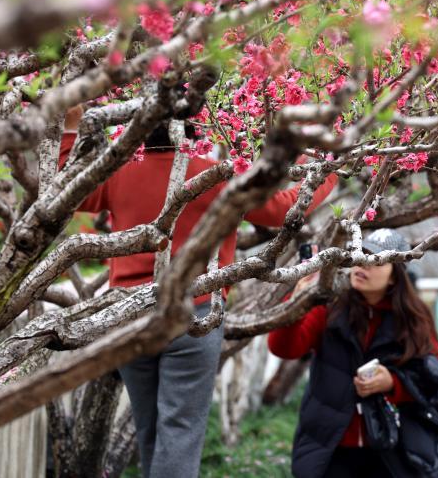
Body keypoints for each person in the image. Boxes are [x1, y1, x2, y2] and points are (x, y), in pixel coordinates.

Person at [59, 106, 337, 478]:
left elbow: (69, 192)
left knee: (151, 429)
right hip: (195, 313)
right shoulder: (217, 176)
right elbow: (283, 211)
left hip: (127, 314)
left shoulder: (120, 171)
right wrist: (324, 166)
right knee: (181, 432)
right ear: (195, 129)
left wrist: (71, 127)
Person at [269, 228, 438, 478]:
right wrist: (299, 298)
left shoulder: (415, 319)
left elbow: (433, 379)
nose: (363, 264)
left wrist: (392, 382)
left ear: (395, 276)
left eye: (375, 259)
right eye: (360, 255)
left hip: (392, 451)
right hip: (330, 449)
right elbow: (283, 348)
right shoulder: (330, 306)